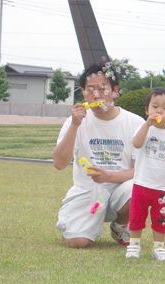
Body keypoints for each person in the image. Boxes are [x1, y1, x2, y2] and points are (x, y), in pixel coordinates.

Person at [53, 62, 145, 249]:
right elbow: (59, 163)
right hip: (90, 195)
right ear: (83, 94)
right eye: (90, 90)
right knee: (77, 243)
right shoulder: (76, 122)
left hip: (121, 191)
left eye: (102, 88)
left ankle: (120, 225)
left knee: (140, 187)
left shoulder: (135, 123)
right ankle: (87, 219)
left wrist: (108, 177)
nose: (96, 95)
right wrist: (74, 126)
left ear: (115, 91)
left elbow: (139, 170)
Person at [125, 87, 165, 261]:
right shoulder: (146, 130)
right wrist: (147, 124)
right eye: (155, 106)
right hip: (142, 183)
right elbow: (137, 144)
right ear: (147, 110)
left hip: (163, 186)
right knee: (137, 216)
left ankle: (159, 247)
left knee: (161, 218)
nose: (159, 111)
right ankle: (134, 245)